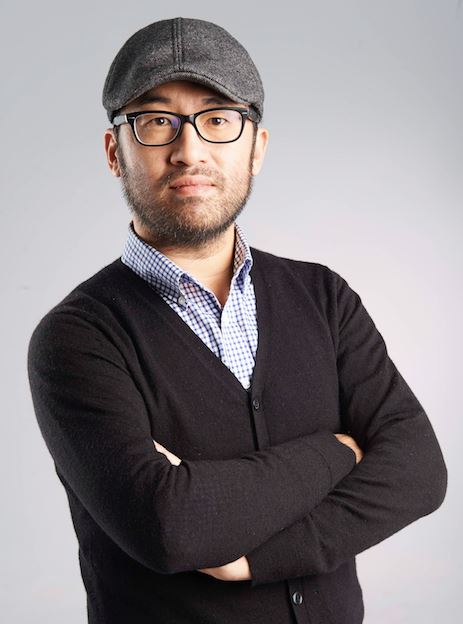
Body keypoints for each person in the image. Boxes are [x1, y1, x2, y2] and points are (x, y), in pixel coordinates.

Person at [27, 17, 447, 624]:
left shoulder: (323, 297)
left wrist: (255, 556)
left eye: (219, 119)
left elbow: (419, 470)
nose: (189, 150)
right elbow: (169, 526)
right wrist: (337, 452)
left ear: (257, 148)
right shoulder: (77, 338)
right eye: (156, 121)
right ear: (115, 152)